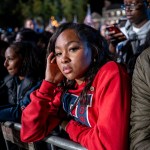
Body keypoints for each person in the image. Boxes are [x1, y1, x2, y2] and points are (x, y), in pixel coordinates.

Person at [21, 23, 131, 150]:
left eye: (73, 49)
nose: (64, 59)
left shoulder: (109, 73)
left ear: (94, 51)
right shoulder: (65, 86)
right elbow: (29, 133)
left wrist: (68, 125)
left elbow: (108, 146)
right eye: (58, 53)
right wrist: (48, 84)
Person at [105, 0, 150, 76]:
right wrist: (113, 46)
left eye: (132, 5)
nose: (128, 9)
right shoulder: (121, 31)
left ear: (146, 5)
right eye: (125, 5)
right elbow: (112, 63)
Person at [0, 41, 42, 122]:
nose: (5, 64)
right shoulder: (10, 81)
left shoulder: (38, 83)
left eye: (10, 59)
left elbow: (20, 112)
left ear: (25, 59)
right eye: (5, 59)